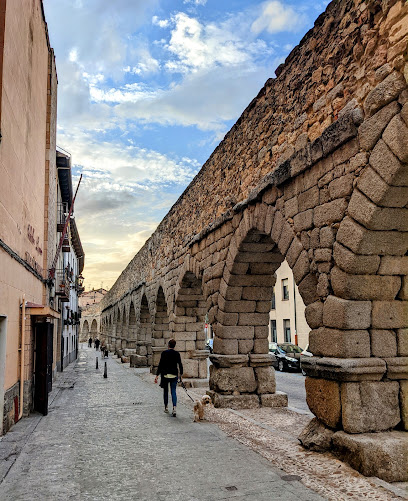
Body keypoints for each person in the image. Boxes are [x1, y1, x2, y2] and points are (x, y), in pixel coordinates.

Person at [154, 339, 183, 417]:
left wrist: (157, 375)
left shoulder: (164, 353)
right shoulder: (177, 354)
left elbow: (160, 364)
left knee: (166, 391)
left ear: (168, 345)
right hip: (174, 375)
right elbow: (180, 365)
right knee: (173, 391)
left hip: (165, 375)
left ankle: (166, 407)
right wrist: (181, 375)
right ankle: (174, 408)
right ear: (174, 346)